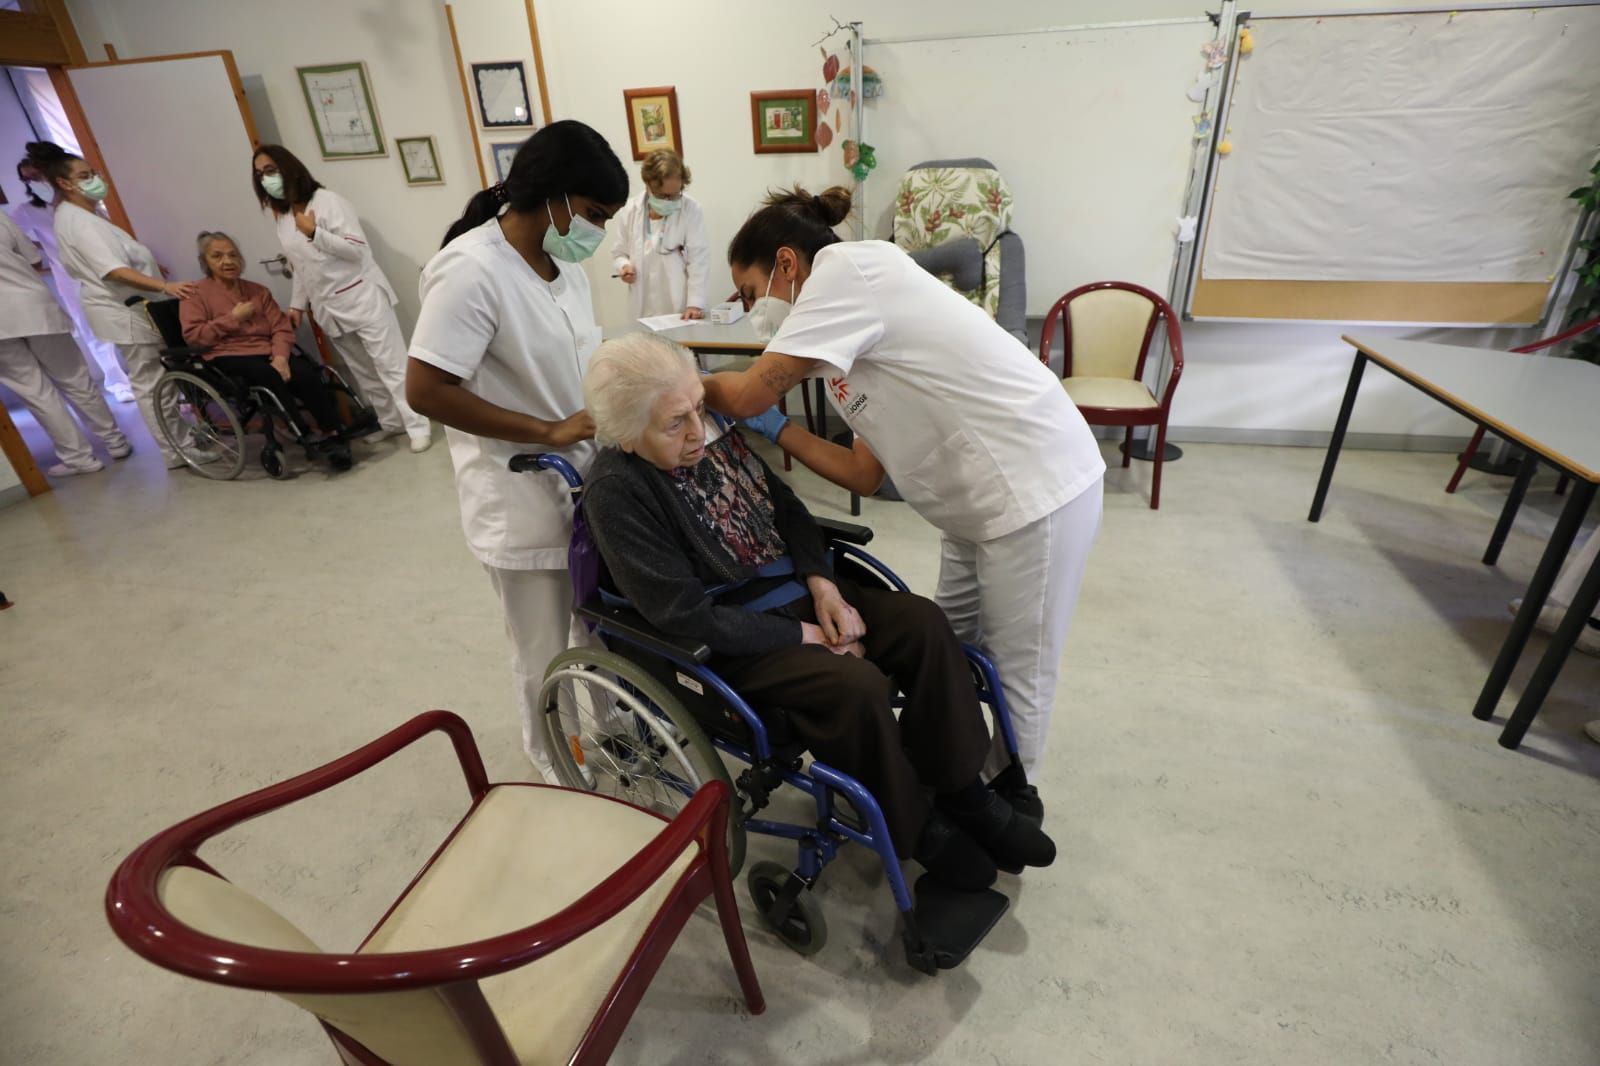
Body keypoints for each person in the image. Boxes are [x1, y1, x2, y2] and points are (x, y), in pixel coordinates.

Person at [581, 333, 1056, 888]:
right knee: (855, 686)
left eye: (699, 409)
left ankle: (963, 791)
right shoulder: (616, 492)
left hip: (802, 593)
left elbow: (788, 509)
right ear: (627, 436)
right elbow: (684, 615)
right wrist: (807, 635)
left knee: (923, 622)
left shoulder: (710, 436)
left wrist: (824, 586)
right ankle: (918, 828)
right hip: (735, 637)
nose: (696, 433)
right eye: (674, 423)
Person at [703, 185, 1107, 817]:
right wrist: (782, 432)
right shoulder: (839, 347)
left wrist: (675, 384)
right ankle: (953, 773)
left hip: (1035, 490)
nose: (756, 313)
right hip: (973, 508)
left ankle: (1006, 801)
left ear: (786, 263)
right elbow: (864, 473)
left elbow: (751, 390)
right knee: (952, 643)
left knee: (1017, 665)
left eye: (752, 293)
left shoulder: (849, 274)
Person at [406, 120, 627, 780]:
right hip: (519, 491)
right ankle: (553, 760)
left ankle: (615, 728)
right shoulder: (470, 270)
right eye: (592, 214)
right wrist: (548, 431)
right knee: (539, 647)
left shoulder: (569, 272)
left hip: (586, 484)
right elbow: (425, 388)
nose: (597, 232)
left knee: (597, 627)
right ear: (554, 196)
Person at [28, 141, 215, 471]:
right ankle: (176, 451)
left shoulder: (87, 215)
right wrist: (164, 285)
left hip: (133, 308)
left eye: (94, 173)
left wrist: (152, 270)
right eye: (85, 175)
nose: (95, 180)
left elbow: (123, 259)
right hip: (123, 310)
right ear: (64, 184)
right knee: (151, 383)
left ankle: (182, 443)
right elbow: (112, 270)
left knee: (157, 379)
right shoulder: (77, 221)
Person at [251, 144, 432, 453]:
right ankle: (390, 422)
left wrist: (314, 233)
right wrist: (297, 305)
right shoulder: (281, 217)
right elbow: (300, 266)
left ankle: (417, 425)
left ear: (288, 167)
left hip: (362, 296)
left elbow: (357, 249)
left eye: (270, 171)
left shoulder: (328, 202)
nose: (266, 179)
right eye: (260, 175)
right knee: (362, 371)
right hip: (328, 307)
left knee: (391, 366)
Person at [179, 231, 354, 469]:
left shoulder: (258, 291)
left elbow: (281, 328)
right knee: (267, 375)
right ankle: (305, 435)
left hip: (268, 351)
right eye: (217, 256)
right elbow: (195, 338)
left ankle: (333, 433)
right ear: (205, 262)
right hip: (228, 356)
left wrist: (281, 356)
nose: (227, 261)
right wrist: (232, 318)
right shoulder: (195, 295)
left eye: (232, 255)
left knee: (305, 372)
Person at [0, 208, 131, 476]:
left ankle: (80, 459)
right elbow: (34, 258)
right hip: (34, 306)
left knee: (36, 393)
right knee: (75, 379)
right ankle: (115, 442)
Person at [10, 157, 133, 402]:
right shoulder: (27, 210)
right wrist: (43, 247)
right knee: (92, 330)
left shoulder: (76, 202)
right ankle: (117, 382)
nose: (33, 182)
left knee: (123, 317)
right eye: (27, 179)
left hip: (102, 267)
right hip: (69, 277)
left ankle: (139, 373)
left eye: (36, 175)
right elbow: (15, 239)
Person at [611, 149, 711, 321]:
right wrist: (624, 267)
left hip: (679, 306)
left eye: (674, 195)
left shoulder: (691, 210)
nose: (668, 201)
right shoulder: (630, 210)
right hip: (642, 304)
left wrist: (694, 304)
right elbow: (619, 253)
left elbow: (698, 260)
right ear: (648, 185)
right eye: (662, 195)